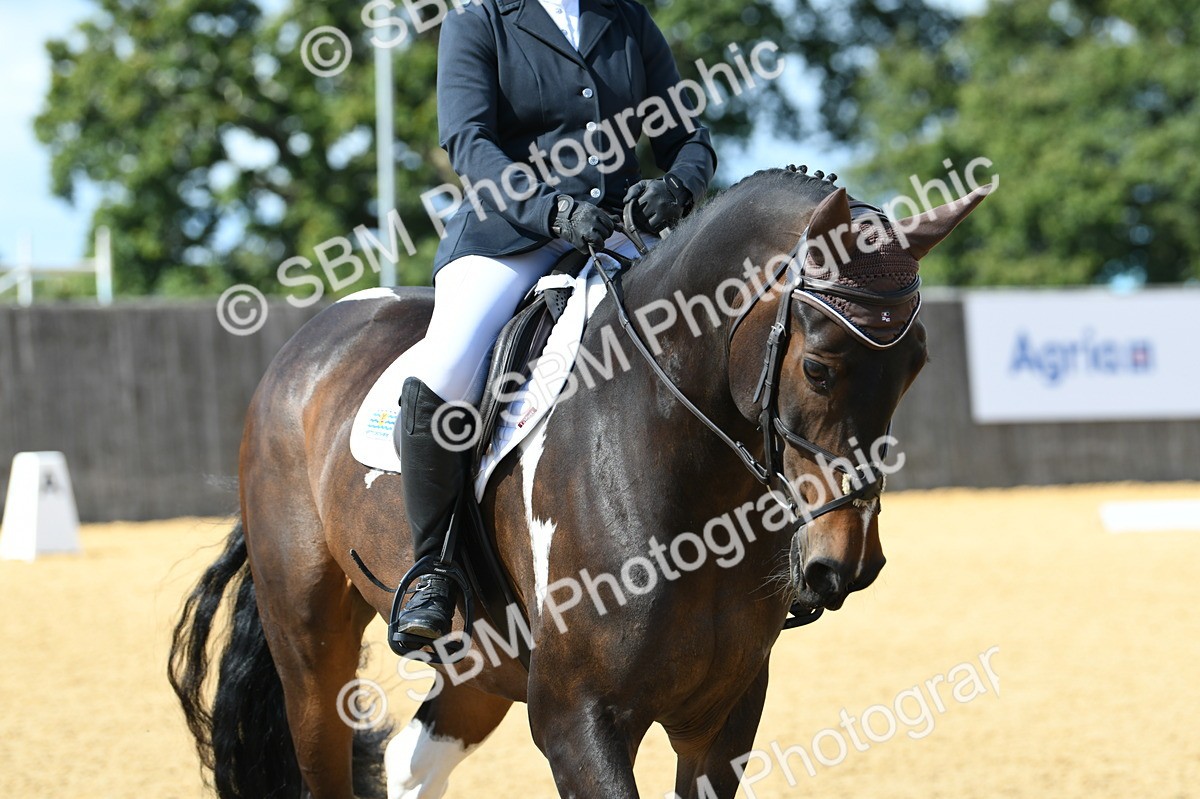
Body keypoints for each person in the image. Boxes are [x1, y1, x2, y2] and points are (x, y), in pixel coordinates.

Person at [391, 0, 717, 646]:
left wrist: (676, 188)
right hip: (508, 237)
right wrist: (549, 211)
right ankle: (433, 566)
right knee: (445, 371)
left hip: (614, 235)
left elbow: (688, 137)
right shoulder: (479, 20)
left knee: (707, 342)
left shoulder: (626, 19)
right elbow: (470, 144)